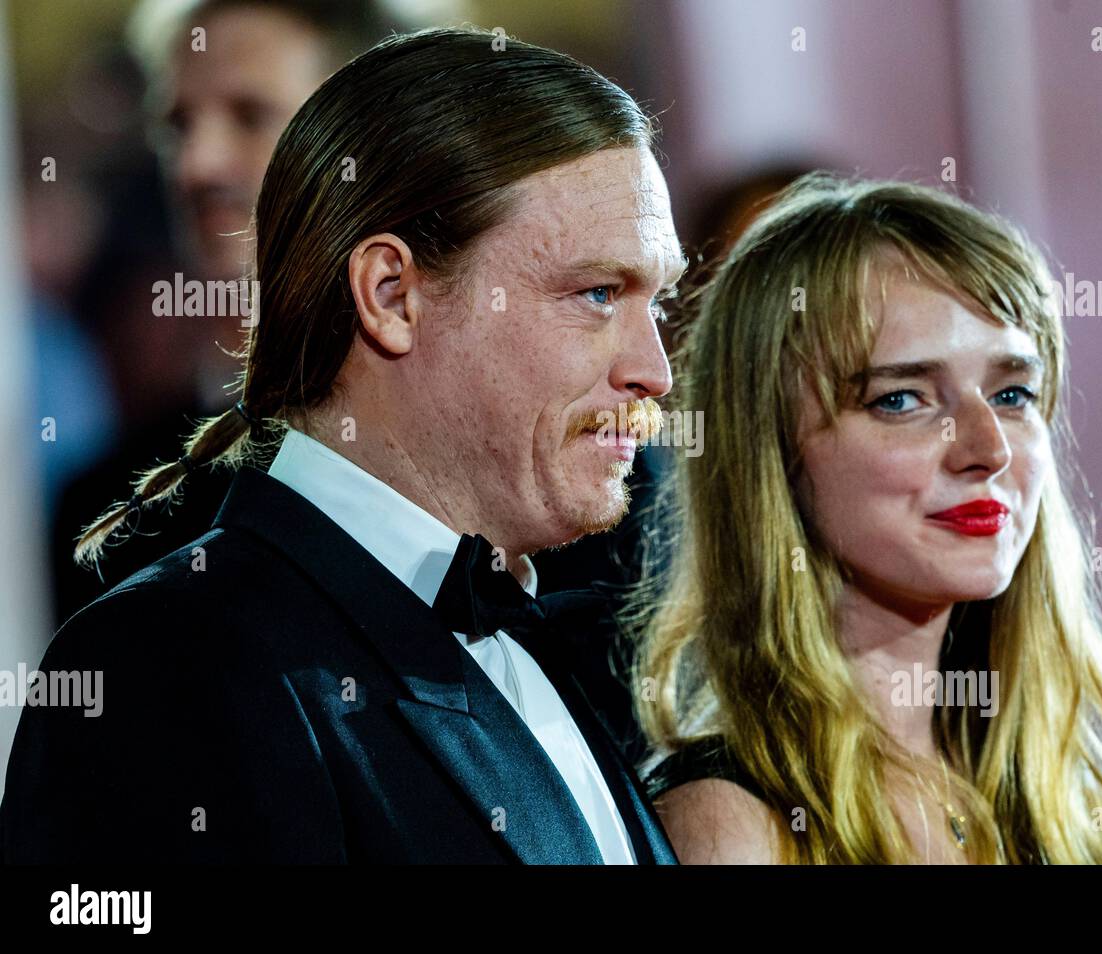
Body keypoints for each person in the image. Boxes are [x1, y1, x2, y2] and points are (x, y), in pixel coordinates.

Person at [1, 27, 683, 864]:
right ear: (392, 295)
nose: (654, 371)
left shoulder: (534, 639)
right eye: (597, 293)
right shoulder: (164, 668)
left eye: (658, 302)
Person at [634, 173, 1102, 864]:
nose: (988, 448)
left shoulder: (1069, 787)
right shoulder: (731, 822)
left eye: (1012, 393)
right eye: (902, 400)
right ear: (768, 448)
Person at [50, 0, 400, 626]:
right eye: (178, 127)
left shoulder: (505, 461)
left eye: (250, 115)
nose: (196, 165)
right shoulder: (110, 515)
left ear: (379, 146)